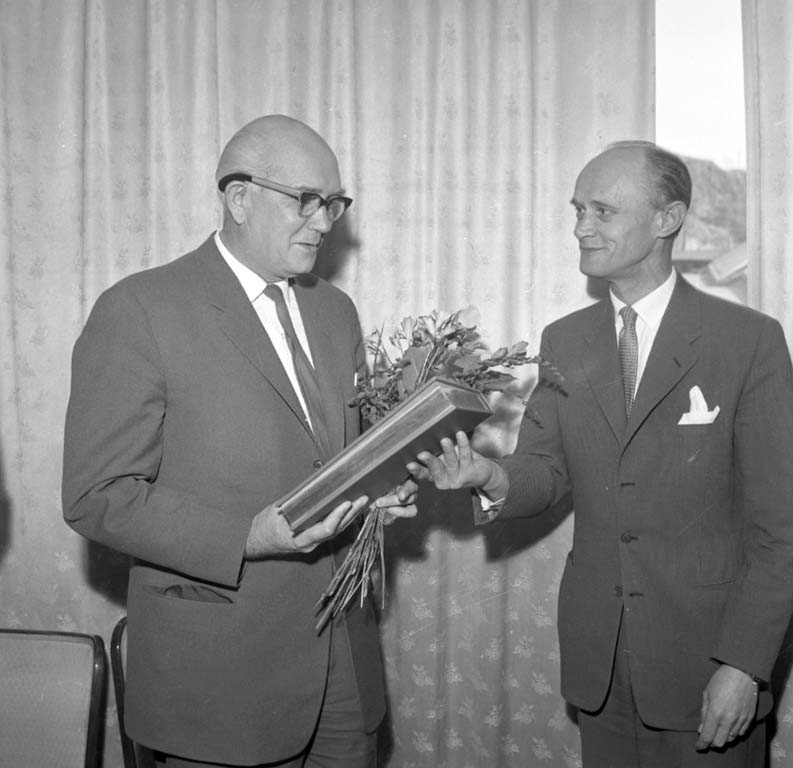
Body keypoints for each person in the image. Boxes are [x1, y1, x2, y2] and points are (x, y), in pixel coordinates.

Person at [409, 141, 793, 767]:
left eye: (602, 211)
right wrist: (489, 474)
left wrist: (745, 665)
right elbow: (547, 472)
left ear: (666, 219)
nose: (581, 227)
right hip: (601, 670)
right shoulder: (565, 339)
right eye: (578, 210)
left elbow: (782, 529)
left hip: (708, 668)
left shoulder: (747, 341)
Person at [63, 114, 418, 768]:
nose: (323, 221)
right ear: (239, 197)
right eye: (305, 199)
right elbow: (98, 496)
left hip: (343, 668)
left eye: (333, 203)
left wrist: (382, 486)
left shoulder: (335, 312)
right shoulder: (139, 309)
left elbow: (341, 457)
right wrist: (246, 537)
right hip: (222, 683)